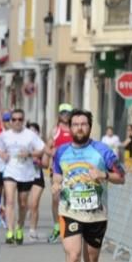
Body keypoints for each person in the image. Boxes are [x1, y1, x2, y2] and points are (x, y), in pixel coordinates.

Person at [53, 109, 125, 262]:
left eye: (84, 124)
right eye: (75, 124)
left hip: (96, 214)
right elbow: (56, 175)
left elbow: (121, 177)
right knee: (73, 256)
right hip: (69, 211)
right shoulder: (61, 152)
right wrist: (55, 185)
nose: (79, 128)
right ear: (70, 127)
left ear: (90, 127)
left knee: (91, 260)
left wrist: (103, 175)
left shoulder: (103, 151)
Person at [0, 108, 44, 245]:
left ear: (23, 121)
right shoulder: (5, 135)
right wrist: (2, 155)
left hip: (26, 173)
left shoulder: (30, 135)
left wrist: (29, 154)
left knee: (23, 203)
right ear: (10, 121)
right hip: (10, 171)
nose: (17, 122)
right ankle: (10, 231)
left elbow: (41, 149)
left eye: (20, 119)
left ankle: (19, 227)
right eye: (14, 119)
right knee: (9, 200)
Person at [47, 103, 74, 243]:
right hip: (57, 169)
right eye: (63, 112)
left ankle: (69, 226)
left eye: (68, 112)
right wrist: (52, 152)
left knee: (70, 198)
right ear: (59, 114)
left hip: (72, 170)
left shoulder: (75, 129)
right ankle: (57, 226)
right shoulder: (55, 130)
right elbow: (48, 147)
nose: (65, 115)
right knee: (56, 198)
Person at [25, 121, 46, 241]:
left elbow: (46, 164)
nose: (33, 133)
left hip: (38, 177)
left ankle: (33, 229)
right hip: (24, 177)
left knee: (34, 204)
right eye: (30, 131)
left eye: (35, 131)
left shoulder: (42, 146)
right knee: (25, 204)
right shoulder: (24, 144)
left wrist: (40, 162)